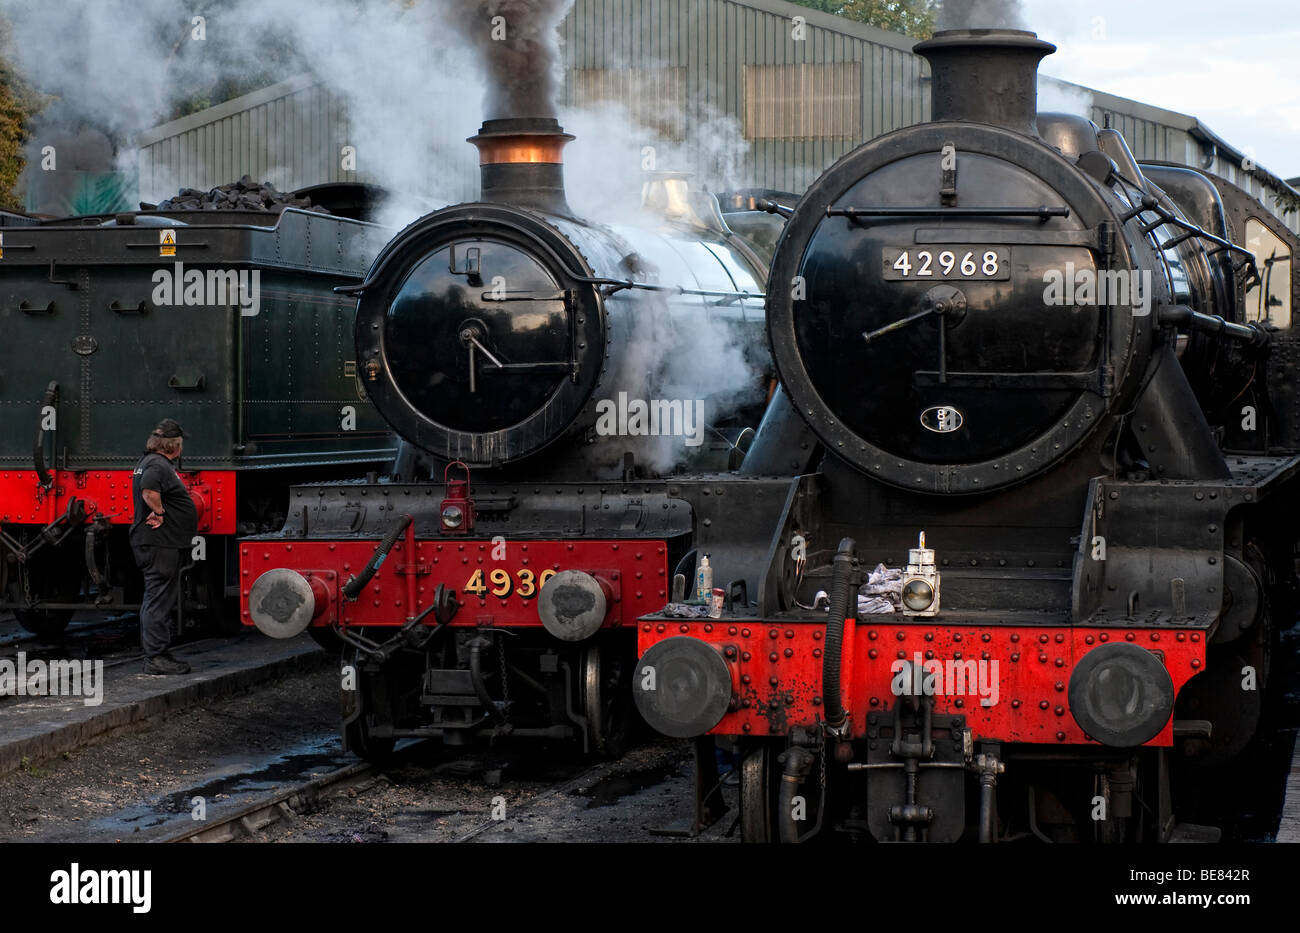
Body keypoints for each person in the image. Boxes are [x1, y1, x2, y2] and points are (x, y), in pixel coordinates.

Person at [129, 419, 198, 675]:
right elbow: (149, 490)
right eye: (180, 443)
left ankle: (159, 652)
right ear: (173, 445)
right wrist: (159, 511)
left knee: (158, 598)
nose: (181, 448)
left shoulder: (149, 462)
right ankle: (155, 658)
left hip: (159, 543)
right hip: (159, 544)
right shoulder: (157, 465)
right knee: (157, 599)